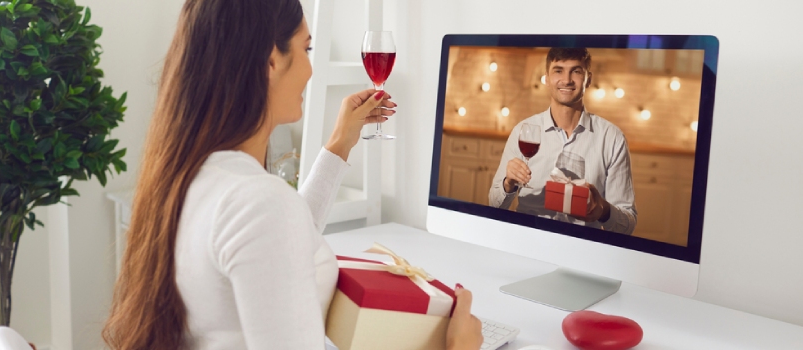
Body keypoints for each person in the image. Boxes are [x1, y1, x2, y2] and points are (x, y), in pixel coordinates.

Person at [101, 0, 483, 349]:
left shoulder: (192, 176)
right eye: (306, 48)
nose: (310, 67)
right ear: (270, 62)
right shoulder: (258, 203)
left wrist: (339, 145)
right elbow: (271, 225)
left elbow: (278, 242)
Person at [488, 48, 637, 235]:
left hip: (583, 245)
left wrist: (604, 210)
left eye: (576, 71)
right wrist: (508, 184)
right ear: (547, 79)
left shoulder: (612, 139)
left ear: (588, 79)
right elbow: (494, 205)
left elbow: (628, 225)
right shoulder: (522, 131)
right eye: (558, 70)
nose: (566, 80)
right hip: (528, 238)